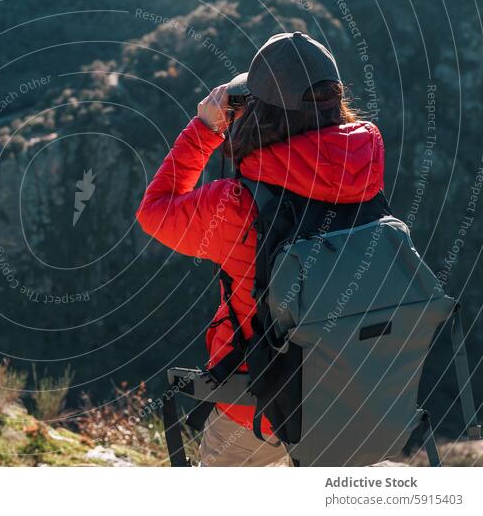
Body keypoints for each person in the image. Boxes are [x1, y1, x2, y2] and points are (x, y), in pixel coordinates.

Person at [136, 31, 385, 466]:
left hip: (263, 402)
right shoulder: (366, 174)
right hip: (355, 393)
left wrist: (205, 129)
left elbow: (154, 211)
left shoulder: (236, 203)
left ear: (257, 110)